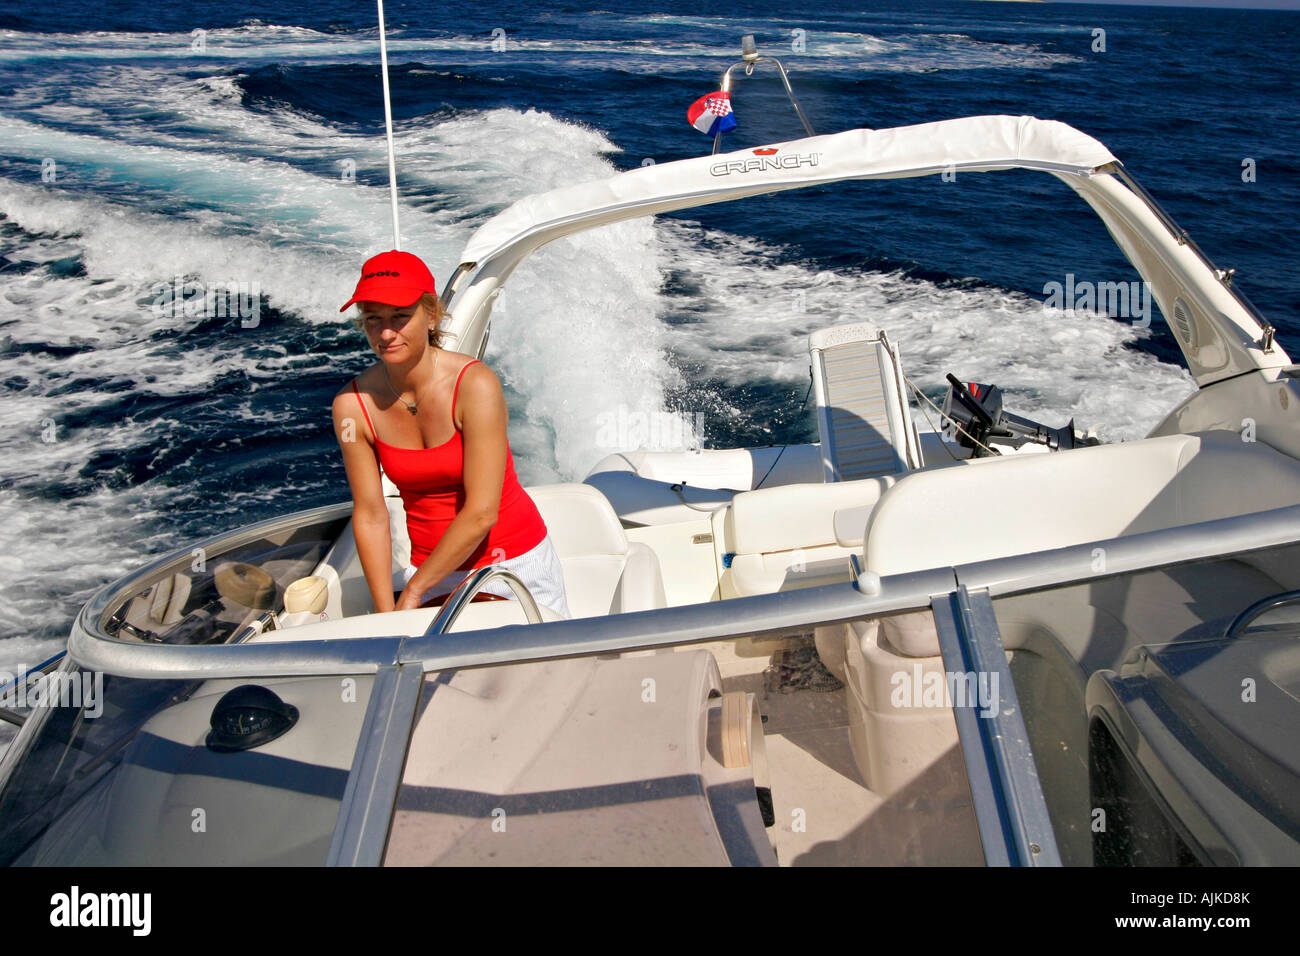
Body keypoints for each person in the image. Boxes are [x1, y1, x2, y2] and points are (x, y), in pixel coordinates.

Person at [331, 249, 570, 618]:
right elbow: (370, 514)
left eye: (400, 316)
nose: (386, 332)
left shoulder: (475, 386)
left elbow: (481, 512)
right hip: (430, 572)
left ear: (431, 316)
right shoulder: (352, 407)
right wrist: (385, 615)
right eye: (373, 319)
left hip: (513, 565)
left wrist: (413, 591)